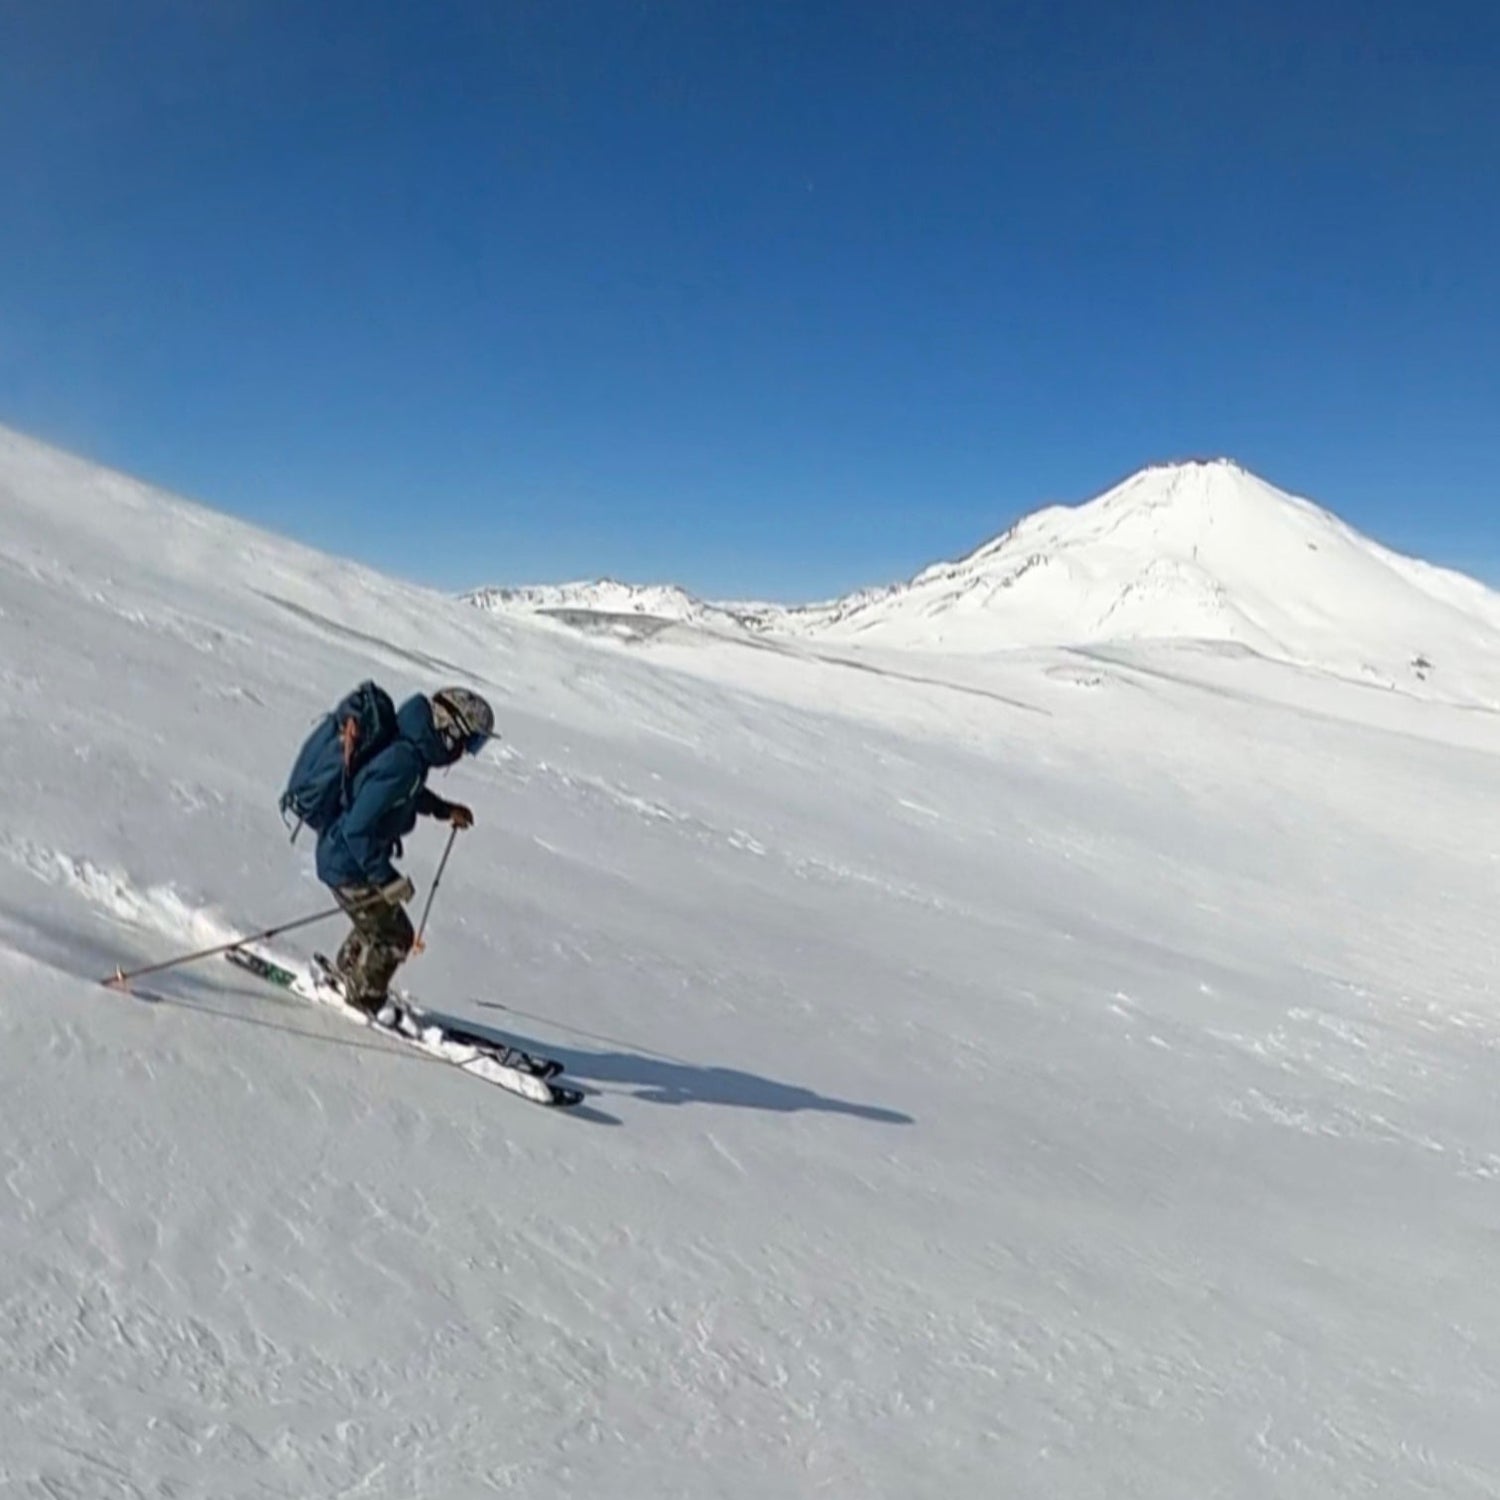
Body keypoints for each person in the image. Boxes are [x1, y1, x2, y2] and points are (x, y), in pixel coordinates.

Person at [314, 686, 494, 1022]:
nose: (466, 754)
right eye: (470, 743)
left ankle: (348, 976)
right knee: (395, 934)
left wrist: (442, 809)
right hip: (347, 862)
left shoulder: (410, 752)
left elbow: (404, 793)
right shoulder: (404, 760)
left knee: (379, 923)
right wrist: (386, 879)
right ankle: (362, 1001)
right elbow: (357, 827)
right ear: (449, 731)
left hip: (345, 857)